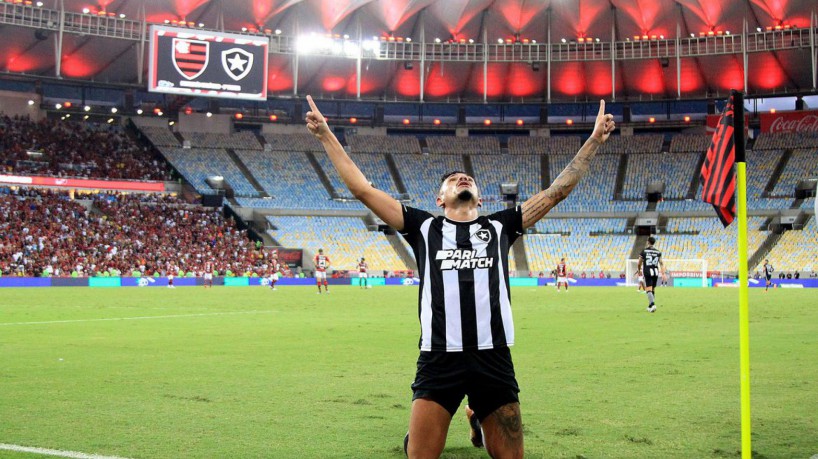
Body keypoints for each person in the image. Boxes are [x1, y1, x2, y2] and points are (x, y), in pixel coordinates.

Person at [305, 94, 615, 458]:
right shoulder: (423, 227)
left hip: (493, 356)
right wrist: (326, 135)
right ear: (440, 200)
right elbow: (362, 189)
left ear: (480, 199)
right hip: (440, 358)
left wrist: (593, 141)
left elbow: (556, 192)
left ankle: (476, 416)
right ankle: (429, 431)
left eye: (467, 178)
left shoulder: (501, 226)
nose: (462, 179)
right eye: (453, 180)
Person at [636, 237, 665, 313]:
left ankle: (653, 304)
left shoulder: (644, 251)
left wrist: (639, 270)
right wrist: (663, 273)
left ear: (648, 242)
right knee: (652, 289)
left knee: (648, 289)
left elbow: (639, 263)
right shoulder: (658, 252)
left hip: (648, 271)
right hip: (655, 272)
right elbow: (661, 263)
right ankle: (650, 306)